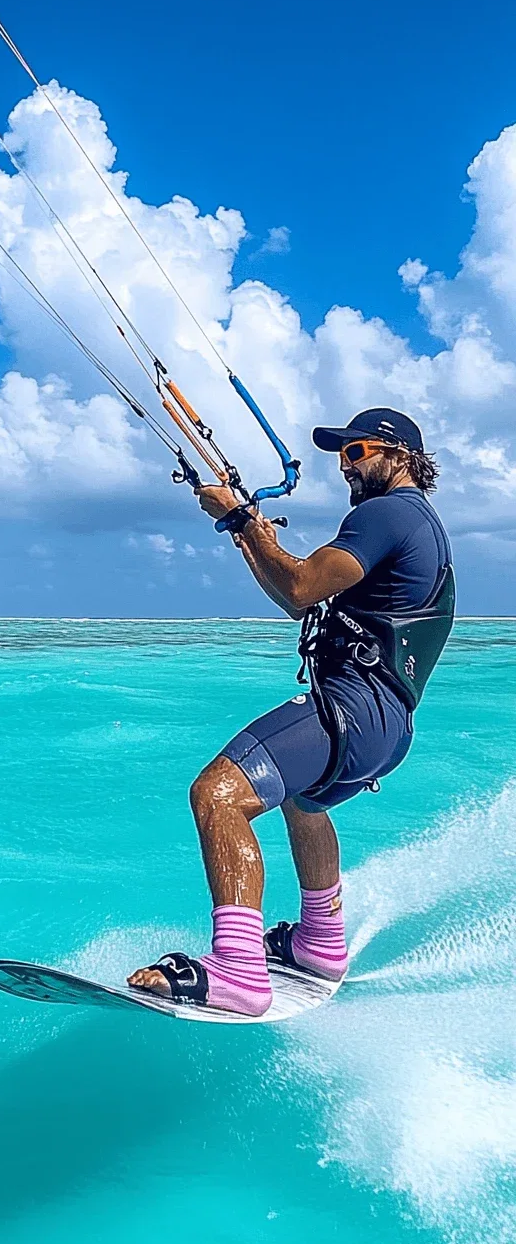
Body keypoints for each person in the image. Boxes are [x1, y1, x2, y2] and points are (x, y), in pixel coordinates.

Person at [128, 408, 454, 1016]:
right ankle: (320, 945)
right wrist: (246, 528)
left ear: (398, 455)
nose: (343, 465)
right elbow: (295, 600)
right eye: (340, 454)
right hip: (387, 727)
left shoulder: (388, 514)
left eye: (356, 452)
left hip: (351, 712)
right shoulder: (420, 525)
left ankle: (238, 972)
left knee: (218, 795)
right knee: (304, 804)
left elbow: (303, 586)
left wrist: (238, 517)